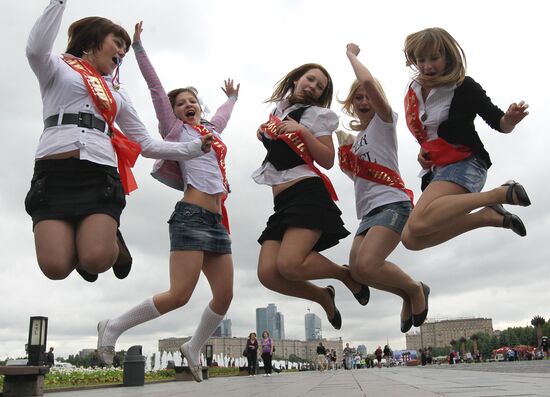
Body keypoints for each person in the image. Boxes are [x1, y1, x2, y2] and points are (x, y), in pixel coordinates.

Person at [25, 1, 212, 283]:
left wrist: (193, 148)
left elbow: (145, 143)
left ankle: (109, 240)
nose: (123, 51)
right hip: (53, 174)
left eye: (126, 46)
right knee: (55, 268)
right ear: (92, 42)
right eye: (117, 43)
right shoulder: (56, 68)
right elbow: (35, 49)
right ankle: (87, 239)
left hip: (98, 173)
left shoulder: (117, 93)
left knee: (96, 259)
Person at [96, 22, 238, 383]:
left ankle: (193, 346)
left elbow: (221, 116)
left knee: (224, 297)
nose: (187, 105)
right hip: (190, 216)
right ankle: (113, 326)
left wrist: (232, 98)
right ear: (173, 112)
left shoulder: (211, 132)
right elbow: (156, 88)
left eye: (192, 100)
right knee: (179, 295)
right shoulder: (175, 131)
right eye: (181, 103)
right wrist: (139, 48)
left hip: (216, 220)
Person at [253, 63, 369, 331]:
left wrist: (303, 131)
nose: (314, 87)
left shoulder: (318, 115)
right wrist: (263, 136)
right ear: (296, 79)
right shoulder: (278, 111)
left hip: (307, 193)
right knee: (268, 274)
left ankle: (344, 275)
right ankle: (322, 296)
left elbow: (327, 159)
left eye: (320, 87)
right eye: (310, 79)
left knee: (290, 264)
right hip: (282, 202)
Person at [400, 27, 531, 255]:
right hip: (438, 169)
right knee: (411, 239)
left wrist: (509, 119)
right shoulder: (415, 90)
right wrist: (424, 156)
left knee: (418, 223)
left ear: (447, 57)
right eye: (421, 60)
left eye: (434, 58)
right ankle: (487, 215)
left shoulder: (464, 86)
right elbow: (431, 134)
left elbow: (499, 123)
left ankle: (501, 193)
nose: (427, 66)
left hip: (466, 163)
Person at [337, 43, 429, 331]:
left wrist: (351, 55)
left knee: (366, 264)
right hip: (368, 212)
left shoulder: (385, 121)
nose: (364, 100)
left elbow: (367, 81)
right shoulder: (357, 138)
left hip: (392, 203)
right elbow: (360, 179)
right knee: (358, 271)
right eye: (358, 97)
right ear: (351, 103)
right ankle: (405, 293)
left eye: (367, 95)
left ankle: (415, 289)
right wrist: (344, 152)